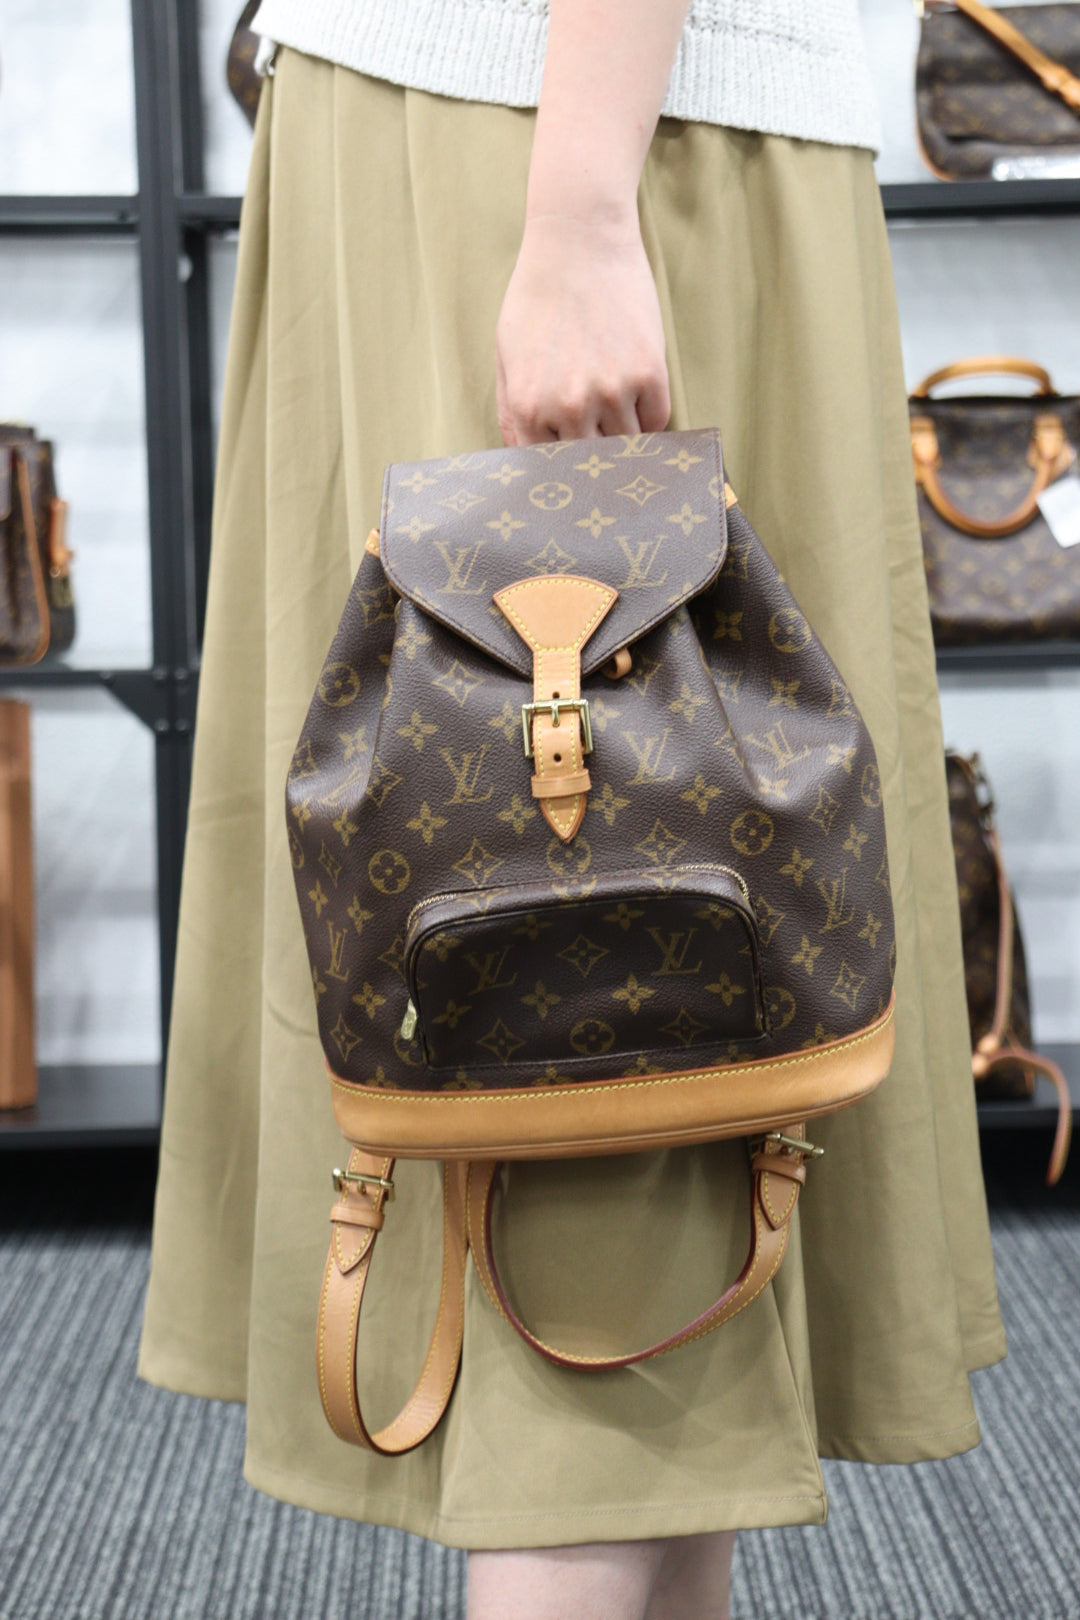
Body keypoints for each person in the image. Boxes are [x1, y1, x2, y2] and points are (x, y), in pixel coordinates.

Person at [139, 4, 1006, 1616]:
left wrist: (582, 206)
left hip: (555, 123)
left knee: (587, 1070)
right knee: (651, 1019)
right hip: (548, 120)